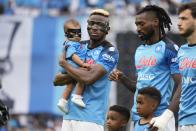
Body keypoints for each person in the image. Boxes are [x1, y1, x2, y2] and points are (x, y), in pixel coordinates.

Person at [109, 5, 181, 131]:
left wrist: (167, 115)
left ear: (155, 22)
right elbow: (141, 88)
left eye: (141, 24)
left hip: (159, 119)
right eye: (136, 25)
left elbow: (182, 84)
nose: (138, 28)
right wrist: (123, 78)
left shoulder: (169, 48)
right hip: (137, 119)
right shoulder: (140, 50)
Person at [55, 9, 119, 131]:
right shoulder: (77, 46)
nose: (95, 27)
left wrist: (66, 65)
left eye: (100, 24)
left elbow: (89, 78)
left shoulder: (110, 51)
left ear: (107, 29)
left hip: (90, 118)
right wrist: (80, 72)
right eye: (92, 23)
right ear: (87, 26)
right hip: (68, 116)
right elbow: (57, 80)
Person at [150, 2, 196, 131]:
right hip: (184, 121)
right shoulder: (182, 51)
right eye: (179, 18)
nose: (179, 22)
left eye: (184, 18)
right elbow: (184, 86)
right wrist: (166, 116)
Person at [54, 19, 91, 113]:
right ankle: (77, 96)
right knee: (82, 75)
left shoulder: (75, 43)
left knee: (70, 85)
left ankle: (62, 101)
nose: (76, 35)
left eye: (78, 32)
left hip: (69, 66)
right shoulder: (71, 44)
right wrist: (82, 64)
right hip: (72, 65)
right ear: (66, 34)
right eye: (73, 33)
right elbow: (73, 56)